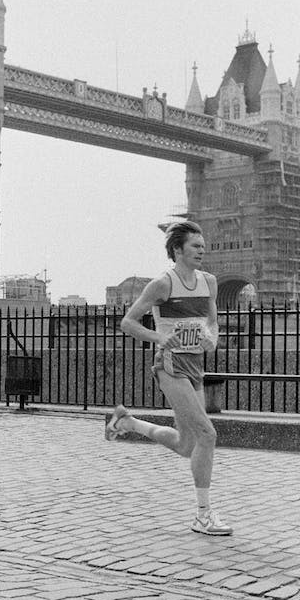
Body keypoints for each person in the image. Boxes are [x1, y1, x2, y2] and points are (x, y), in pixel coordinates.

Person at [106, 219, 232, 536]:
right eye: (195, 246)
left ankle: (127, 423)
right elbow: (128, 323)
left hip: (196, 364)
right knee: (207, 434)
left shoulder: (209, 282)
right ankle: (203, 515)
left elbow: (213, 322)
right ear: (177, 250)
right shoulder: (163, 284)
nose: (201, 251)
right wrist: (160, 337)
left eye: (203, 246)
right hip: (170, 365)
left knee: (186, 445)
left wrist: (211, 339)